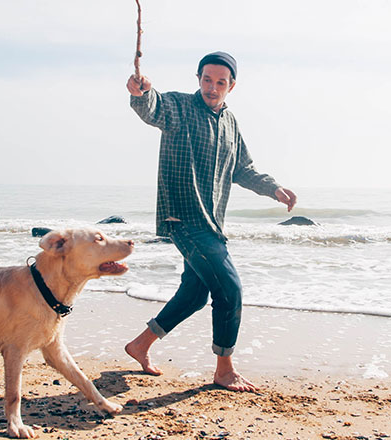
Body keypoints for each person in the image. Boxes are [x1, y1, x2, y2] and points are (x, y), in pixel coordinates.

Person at [124, 51, 297, 392]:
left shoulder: (231, 123)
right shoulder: (179, 107)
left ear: (232, 85)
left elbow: (243, 169)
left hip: (211, 223)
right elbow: (152, 107)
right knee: (229, 289)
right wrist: (139, 92)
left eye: (220, 82)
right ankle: (224, 370)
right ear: (198, 79)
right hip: (182, 217)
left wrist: (273, 188)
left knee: (194, 294)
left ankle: (140, 345)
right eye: (206, 80)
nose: (212, 88)